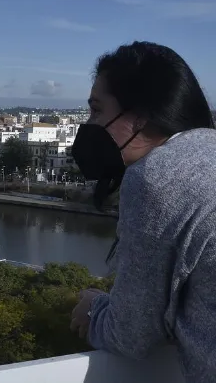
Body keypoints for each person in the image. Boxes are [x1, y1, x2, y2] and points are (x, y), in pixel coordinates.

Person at [69, 41, 216, 381]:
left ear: (139, 118)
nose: (89, 124)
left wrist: (93, 308)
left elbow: (130, 334)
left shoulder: (155, 176)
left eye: (96, 111)